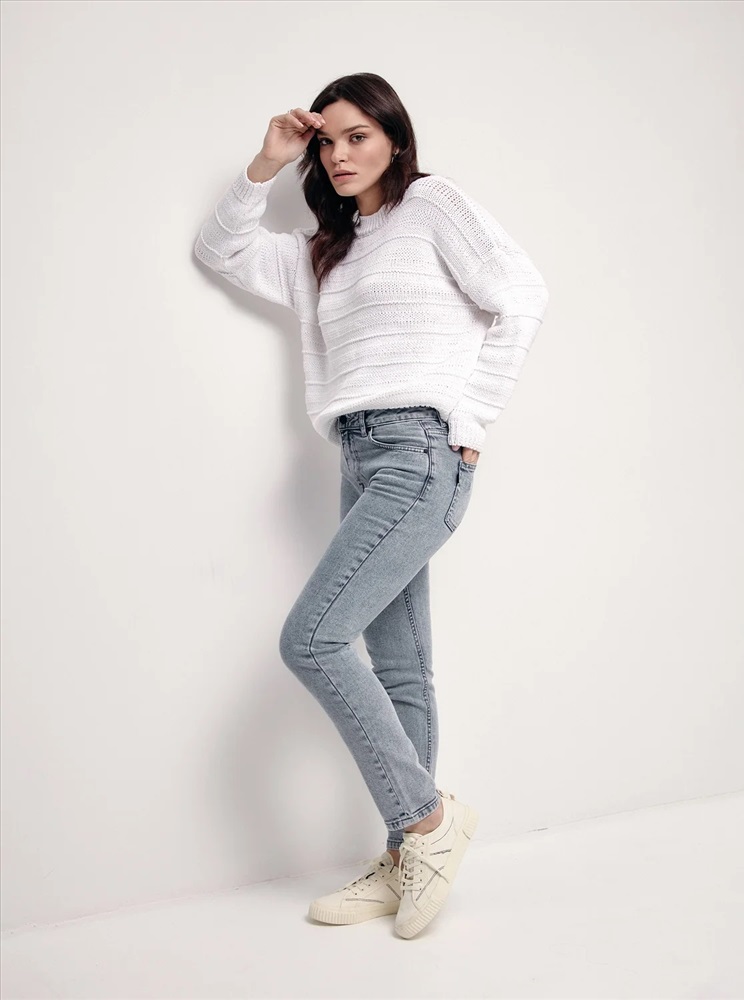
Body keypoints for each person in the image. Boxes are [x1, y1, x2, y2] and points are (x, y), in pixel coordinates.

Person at [194, 72, 549, 938]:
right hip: (358, 456)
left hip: (422, 450)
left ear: (395, 138)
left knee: (312, 640)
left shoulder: (431, 206)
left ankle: (427, 822)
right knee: (399, 668)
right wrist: (267, 161)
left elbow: (522, 294)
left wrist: (472, 419)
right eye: (327, 141)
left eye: (358, 136)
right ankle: (404, 859)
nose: (339, 154)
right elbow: (220, 251)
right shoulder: (326, 247)